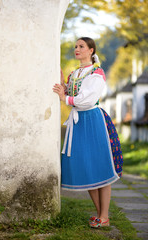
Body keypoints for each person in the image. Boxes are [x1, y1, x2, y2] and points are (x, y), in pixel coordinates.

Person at [53, 37, 123, 228]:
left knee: (100, 165)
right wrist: (63, 85)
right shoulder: (75, 73)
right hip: (79, 123)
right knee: (86, 166)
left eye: (81, 46)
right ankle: (102, 216)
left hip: (93, 120)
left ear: (91, 50)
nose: (77, 49)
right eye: (76, 46)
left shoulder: (96, 72)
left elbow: (87, 100)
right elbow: (74, 94)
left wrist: (64, 97)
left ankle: (104, 215)